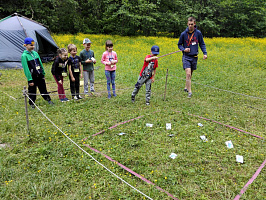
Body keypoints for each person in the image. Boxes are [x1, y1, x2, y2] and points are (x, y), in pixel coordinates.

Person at [178, 16, 207, 98]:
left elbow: (202, 43)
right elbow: (179, 44)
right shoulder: (183, 34)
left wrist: (205, 53)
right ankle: (190, 92)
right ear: (187, 24)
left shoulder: (198, 33)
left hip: (194, 56)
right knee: (188, 73)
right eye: (189, 24)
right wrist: (184, 49)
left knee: (190, 73)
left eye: (192, 24)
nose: (190, 26)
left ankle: (186, 87)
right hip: (186, 56)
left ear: (194, 24)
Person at [21, 37, 54, 108]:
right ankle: (32, 103)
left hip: (39, 75)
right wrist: (30, 80)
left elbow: (40, 64)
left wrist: (43, 73)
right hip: (33, 77)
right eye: (31, 45)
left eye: (33, 45)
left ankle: (48, 99)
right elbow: (26, 69)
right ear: (26, 45)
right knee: (32, 90)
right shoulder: (24, 56)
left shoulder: (35, 53)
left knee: (43, 88)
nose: (33, 47)